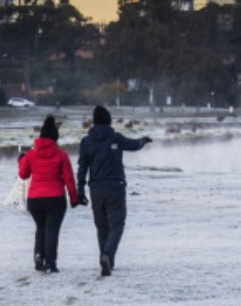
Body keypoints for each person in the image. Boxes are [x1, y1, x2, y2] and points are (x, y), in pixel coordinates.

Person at [76, 105, 151, 276]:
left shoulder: (86, 142)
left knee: (101, 226)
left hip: (95, 189)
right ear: (109, 120)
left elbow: (82, 167)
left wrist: (80, 189)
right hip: (115, 187)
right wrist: (144, 140)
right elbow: (134, 145)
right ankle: (107, 256)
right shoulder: (115, 138)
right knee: (117, 224)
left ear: (94, 122)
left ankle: (106, 259)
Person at [17, 115, 79, 273]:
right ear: (55, 138)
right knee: (52, 230)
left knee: (41, 227)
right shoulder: (61, 155)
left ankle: (38, 255)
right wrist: (74, 198)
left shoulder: (30, 155)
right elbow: (69, 179)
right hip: (56, 198)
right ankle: (50, 263)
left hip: (35, 199)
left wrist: (21, 161)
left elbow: (23, 175)